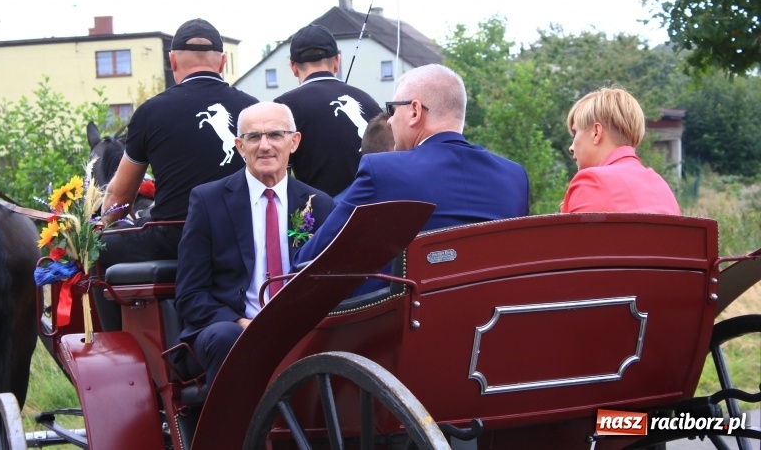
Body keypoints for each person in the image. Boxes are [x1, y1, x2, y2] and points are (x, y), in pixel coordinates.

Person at [95, 18, 259, 329]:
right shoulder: (253, 109)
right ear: (223, 62)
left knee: (98, 250)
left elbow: (119, 197)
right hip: (245, 235)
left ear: (172, 61)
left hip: (175, 239)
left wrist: (101, 225)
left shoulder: (150, 112)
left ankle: (115, 340)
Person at [293, 63, 530, 270]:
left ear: (415, 111)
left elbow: (315, 258)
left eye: (393, 110)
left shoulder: (383, 171)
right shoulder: (514, 176)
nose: (391, 120)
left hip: (405, 318)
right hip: (492, 318)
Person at [175, 101, 334, 385]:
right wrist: (242, 324)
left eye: (275, 135)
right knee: (228, 338)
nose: (265, 146)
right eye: (253, 137)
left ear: (294, 142)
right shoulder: (208, 201)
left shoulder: (319, 204)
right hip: (231, 327)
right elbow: (190, 294)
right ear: (239, 146)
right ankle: (231, 429)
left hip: (301, 326)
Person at [274, 24, 382, 197]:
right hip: (372, 212)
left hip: (319, 217)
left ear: (293, 67)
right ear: (337, 61)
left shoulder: (284, 107)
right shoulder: (369, 101)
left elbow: (276, 173)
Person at [560, 87, 680, 214]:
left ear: (596, 133)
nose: (571, 148)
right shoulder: (661, 186)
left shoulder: (590, 182)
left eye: (575, 133)